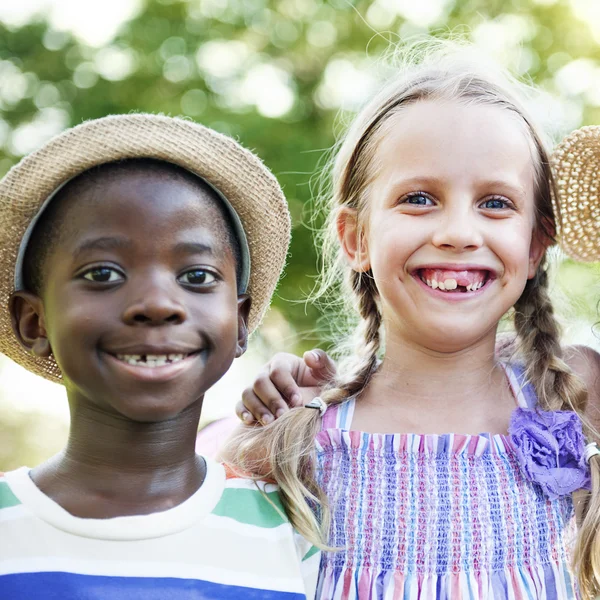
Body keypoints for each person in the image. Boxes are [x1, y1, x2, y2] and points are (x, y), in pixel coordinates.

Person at [225, 42, 600, 599]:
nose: (457, 232)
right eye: (420, 198)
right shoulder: (294, 443)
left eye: (496, 203)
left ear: (536, 244)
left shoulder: (581, 394)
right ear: (356, 238)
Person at [0, 113, 319, 599]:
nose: (157, 304)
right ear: (34, 322)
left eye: (196, 277)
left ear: (239, 323)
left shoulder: (293, 534)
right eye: (103, 274)